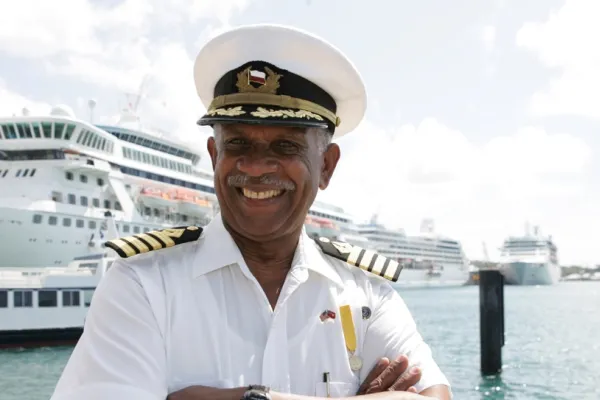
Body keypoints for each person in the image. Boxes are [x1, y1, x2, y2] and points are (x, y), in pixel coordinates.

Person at [50, 24, 452, 400]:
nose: (256, 167)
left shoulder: (366, 292)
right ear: (214, 156)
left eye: (286, 147)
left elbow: (435, 395)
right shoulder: (141, 284)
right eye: (238, 144)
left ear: (326, 166)